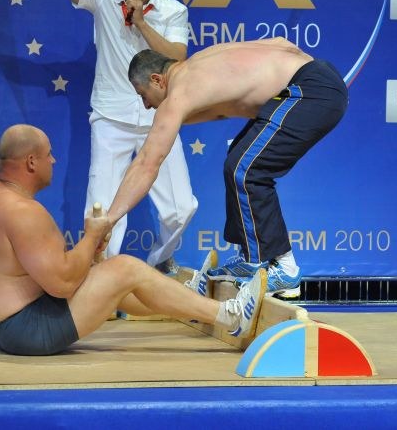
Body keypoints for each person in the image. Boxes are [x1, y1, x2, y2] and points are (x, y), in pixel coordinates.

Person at [6, 0, 198, 273]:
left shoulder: (173, 11)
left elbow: (177, 56)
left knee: (181, 208)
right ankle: (101, 280)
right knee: (103, 209)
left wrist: (141, 22)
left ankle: (160, 263)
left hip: (161, 117)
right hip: (110, 119)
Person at [0, 124, 266, 356]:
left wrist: (88, 249)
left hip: (8, 327)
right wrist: (92, 236)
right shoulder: (21, 211)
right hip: (26, 330)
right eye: (49, 154)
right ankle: (231, 317)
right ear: (32, 162)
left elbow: (47, 271)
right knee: (124, 268)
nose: (53, 160)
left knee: (114, 280)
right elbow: (63, 283)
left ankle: (190, 300)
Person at [106, 38, 349, 298]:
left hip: (310, 89)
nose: (146, 105)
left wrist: (109, 220)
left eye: (143, 95)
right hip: (316, 77)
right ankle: (250, 257)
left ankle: (286, 269)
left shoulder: (181, 90)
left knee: (246, 169)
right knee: (237, 159)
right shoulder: (200, 65)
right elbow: (280, 42)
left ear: (157, 79)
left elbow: (146, 163)